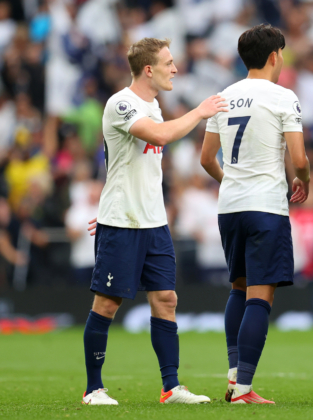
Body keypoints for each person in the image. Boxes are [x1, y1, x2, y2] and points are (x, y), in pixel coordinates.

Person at [82, 37, 228, 406]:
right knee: (107, 304)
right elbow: (159, 136)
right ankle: (92, 389)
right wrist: (200, 111)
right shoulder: (122, 103)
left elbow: (135, 164)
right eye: (168, 62)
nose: (175, 68)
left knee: (166, 298)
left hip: (153, 222)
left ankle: (171, 387)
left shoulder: (154, 105)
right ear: (149, 69)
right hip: (123, 223)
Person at [200, 24, 310, 405]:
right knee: (260, 297)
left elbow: (205, 158)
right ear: (275, 55)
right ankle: (243, 389)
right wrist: (305, 180)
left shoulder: (223, 96)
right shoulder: (282, 96)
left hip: (229, 207)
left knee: (238, 288)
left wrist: (231, 181)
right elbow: (298, 159)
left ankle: (234, 376)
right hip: (265, 207)